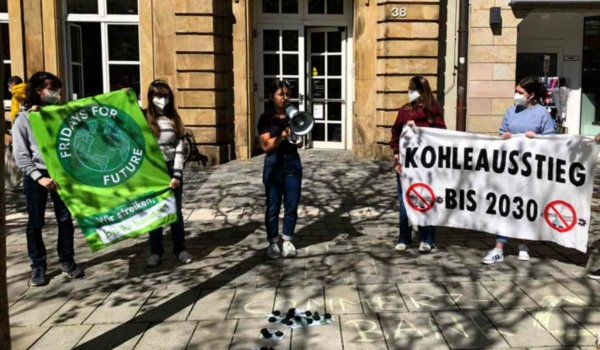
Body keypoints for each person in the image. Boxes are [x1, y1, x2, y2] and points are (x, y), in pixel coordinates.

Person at [12, 72, 84, 286]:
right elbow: (21, 155)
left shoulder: (60, 113)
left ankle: (67, 261)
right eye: (51, 89)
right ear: (38, 91)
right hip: (37, 176)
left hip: (61, 173)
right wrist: (38, 177)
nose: (56, 94)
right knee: (36, 222)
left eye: (57, 89)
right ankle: (38, 266)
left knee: (65, 220)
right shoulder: (24, 118)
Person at [481, 76, 556, 265]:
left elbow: (552, 140)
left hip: (530, 170)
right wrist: (504, 136)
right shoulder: (510, 111)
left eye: (520, 93)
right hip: (508, 167)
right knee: (504, 205)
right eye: (516, 91)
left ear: (531, 95)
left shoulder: (542, 114)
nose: (516, 95)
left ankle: (524, 243)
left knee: (525, 205)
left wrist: (537, 138)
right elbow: (501, 132)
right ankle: (499, 247)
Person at [389, 76, 446, 253]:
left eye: (413, 89)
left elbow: (441, 135)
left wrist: (419, 129)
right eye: (409, 89)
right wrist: (396, 154)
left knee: (425, 199)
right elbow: (396, 133)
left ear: (423, 91)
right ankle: (404, 238)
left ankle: (427, 238)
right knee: (405, 201)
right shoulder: (404, 110)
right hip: (406, 164)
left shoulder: (433, 110)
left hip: (426, 165)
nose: (410, 92)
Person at [143, 80, 193, 267]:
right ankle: (156, 252)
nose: (161, 100)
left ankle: (180, 249)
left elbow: (179, 146)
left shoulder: (174, 118)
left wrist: (177, 174)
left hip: (172, 168)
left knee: (175, 212)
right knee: (155, 213)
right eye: (157, 96)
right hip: (153, 171)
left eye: (165, 96)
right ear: (150, 97)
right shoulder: (144, 118)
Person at [258, 80, 303, 259]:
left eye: (287, 94)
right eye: (280, 94)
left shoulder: (293, 116)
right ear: (271, 96)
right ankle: (273, 242)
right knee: (273, 206)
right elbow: (266, 146)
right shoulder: (265, 118)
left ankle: (288, 241)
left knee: (291, 204)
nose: (284, 98)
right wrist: (282, 135)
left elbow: (299, 143)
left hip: (292, 162)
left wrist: (296, 136)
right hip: (274, 163)